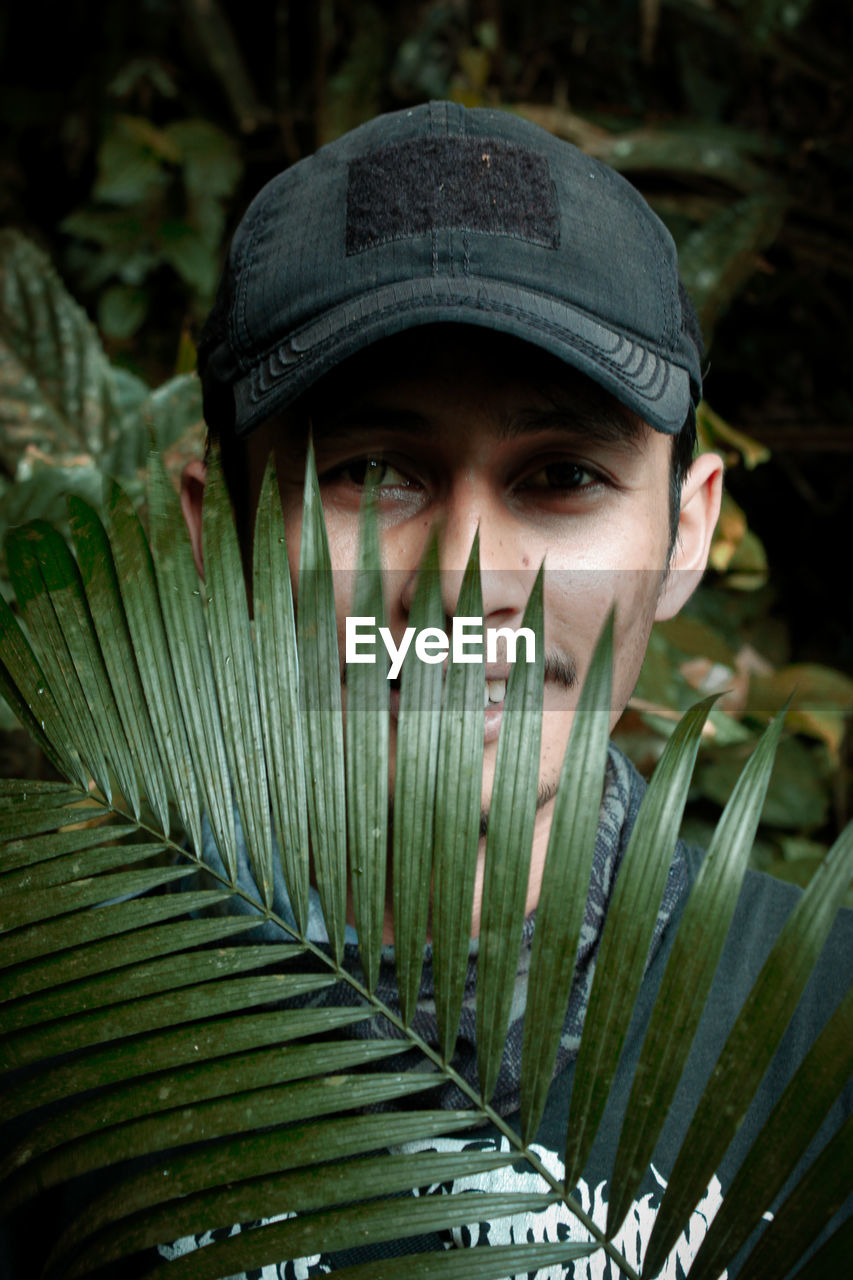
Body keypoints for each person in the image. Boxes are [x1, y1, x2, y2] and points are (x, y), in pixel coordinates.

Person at [175, 101, 851, 1277]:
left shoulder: (826, 1030)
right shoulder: (54, 1030)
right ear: (212, 534)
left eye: (563, 476)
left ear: (688, 533)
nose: (466, 582)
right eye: (371, 472)